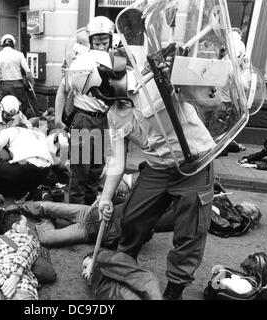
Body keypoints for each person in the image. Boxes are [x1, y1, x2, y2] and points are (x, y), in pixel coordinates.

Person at [98, 68, 216, 299]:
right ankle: (124, 266)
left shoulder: (155, 81)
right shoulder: (113, 114)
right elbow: (117, 159)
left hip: (194, 165)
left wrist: (181, 77)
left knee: (189, 233)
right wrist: (105, 197)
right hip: (156, 168)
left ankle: (176, 287)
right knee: (132, 219)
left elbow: (208, 100)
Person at [54, 16, 115, 206]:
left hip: (101, 120)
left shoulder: (115, 62)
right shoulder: (82, 61)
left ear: (111, 41)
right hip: (83, 120)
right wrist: (57, 118)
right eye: (97, 43)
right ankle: (75, 217)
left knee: (95, 170)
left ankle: (89, 212)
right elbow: (62, 90)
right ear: (91, 42)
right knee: (80, 170)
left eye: (105, 42)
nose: (101, 46)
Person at [82, 250, 162, 300]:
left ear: (93, 258)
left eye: (85, 266)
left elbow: (146, 278)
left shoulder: (103, 258)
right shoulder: (98, 285)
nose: (83, 272)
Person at [0, 34, 34, 117]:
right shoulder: (19, 54)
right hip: (18, 86)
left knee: (6, 107)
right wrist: (32, 83)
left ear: (3, 44)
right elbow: (27, 71)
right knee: (19, 107)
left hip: (4, 86)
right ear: (13, 44)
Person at [0, 95, 32, 160]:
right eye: (7, 115)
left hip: (11, 143)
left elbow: (28, 126)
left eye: (12, 115)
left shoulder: (18, 114)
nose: (10, 117)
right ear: (2, 110)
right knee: (7, 159)